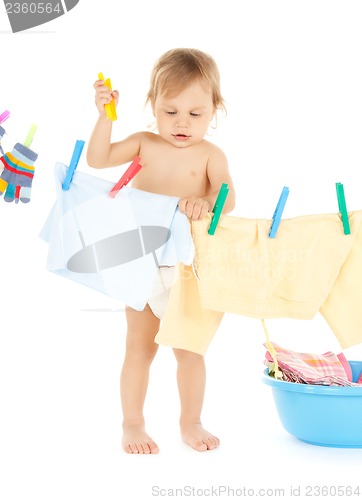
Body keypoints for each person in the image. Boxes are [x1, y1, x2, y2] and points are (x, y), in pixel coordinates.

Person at [87, 48, 235, 454]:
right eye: (170, 112)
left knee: (189, 349)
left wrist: (206, 202)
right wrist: (105, 118)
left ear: (214, 110)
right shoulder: (142, 144)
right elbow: (98, 159)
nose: (181, 123)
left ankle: (191, 421)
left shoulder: (210, 155)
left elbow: (227, 196)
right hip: (142, 262)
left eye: (195, 113)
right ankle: (132, 424)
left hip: (187, 269)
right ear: (152, 105)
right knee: (139, 347)